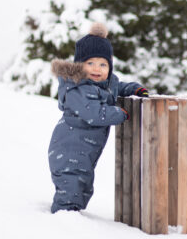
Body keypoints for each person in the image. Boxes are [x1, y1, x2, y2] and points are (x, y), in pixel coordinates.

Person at [48, 22, 148, 213]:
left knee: (84, 188)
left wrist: (134, 89)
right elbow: (94, 114)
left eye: (103, 64)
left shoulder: (105, 83)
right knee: (70, 190)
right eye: (90, 63)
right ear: (79, 66)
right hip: (69, 149)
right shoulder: (78, 88)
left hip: (85, 152)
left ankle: (72, 216)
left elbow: (118, 87)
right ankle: (61, 222)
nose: (97, 69)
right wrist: (120, 113)